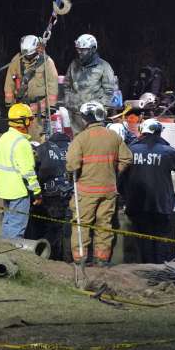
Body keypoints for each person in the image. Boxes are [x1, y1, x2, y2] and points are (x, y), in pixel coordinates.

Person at [65, 101, 133, 265]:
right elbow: (127, 158)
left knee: (82, 226)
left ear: (85, 118)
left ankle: (80, 260)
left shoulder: (80, 139)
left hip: (86, 191)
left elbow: (72, 165)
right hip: (108, 190)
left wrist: (73, 173)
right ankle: (101, 260)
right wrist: (114, 172)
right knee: (104, 225)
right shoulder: (114, 136)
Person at [120, 119, 175, 264]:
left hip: (136, 205)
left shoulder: (130, 150)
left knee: (142, 239)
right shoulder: (167, 151)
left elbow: (120, 176)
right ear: (158, 132)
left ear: (142, 132)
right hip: (161, 205)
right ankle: (161, 267)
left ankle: (145, 267)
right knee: (161, 240)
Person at [27, 111, 74, 260]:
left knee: (51, 227)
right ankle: (67, 257)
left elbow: (36, 170)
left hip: (50, 196)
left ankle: (51, 257)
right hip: (72, 195)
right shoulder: (75, 147)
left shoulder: (43, 148)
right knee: (67, 228)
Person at [0, 103, 41, 239]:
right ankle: (14, 256)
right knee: (16, 227)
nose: (31, 123)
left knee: (8, 223)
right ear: (24, 121)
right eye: (30, 119)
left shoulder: (3, 139)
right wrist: (37, 193)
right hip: (19, 192)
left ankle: (4, 253)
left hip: (6, 191)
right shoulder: (21, 143)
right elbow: (28, 173)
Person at [3, 34, 59, 140]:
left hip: (39, 109)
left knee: (37, 139)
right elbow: (9, 82)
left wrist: (51, 106)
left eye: (30, 54)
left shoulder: (46, 62)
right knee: (19, 137)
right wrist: (9, 103)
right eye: (26, 55)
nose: (28, 57)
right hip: (21, 108)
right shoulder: (17, 61)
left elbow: (53, 85)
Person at [63, 34, 120, 132]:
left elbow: (109, 91)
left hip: (93, 118)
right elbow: (67, 85)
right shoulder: (74, 65)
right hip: (75, 116)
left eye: (83, 49)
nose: (80, 52)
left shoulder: (104, 67)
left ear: (93, 49)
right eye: (78, 49)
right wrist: (69, 101)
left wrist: (99, 109)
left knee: (93, 142)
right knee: (77, 143)